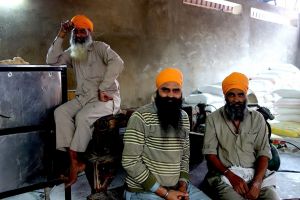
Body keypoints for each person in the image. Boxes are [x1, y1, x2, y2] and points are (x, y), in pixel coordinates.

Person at [46, 14, 124, 187]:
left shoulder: (100, 47)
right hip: (84, 98)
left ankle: (74, 162)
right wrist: (61, 34)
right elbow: (51, 62)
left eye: (83, 31)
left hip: (106, 98)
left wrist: (103, 87)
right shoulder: (73, 53)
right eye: (76, 31)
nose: (79, 35)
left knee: (82, 117)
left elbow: (118, 63)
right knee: (60, 112)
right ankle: (74, 161)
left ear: (89, 32)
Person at [122, 68, 210, 200]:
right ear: (157, 91)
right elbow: (130, 161)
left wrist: (182, 186)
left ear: (181, 93)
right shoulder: (140, 117)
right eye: (165, 90)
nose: (170, 95)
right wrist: (165, 193)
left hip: (176, 188)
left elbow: (185, 157)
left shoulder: (184, 117)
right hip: (143, 191)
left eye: (176, 90)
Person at [202, 72, 280, 200]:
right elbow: (210, 154)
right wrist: (231, 176)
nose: (236, 99)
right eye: (231, 95)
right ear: (225, 96)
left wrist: (257, 182)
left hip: (255, 173)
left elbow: (264, 152)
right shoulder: (213, 119)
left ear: (246, 95)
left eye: (240, 95)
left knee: (272, 197)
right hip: (226, 175)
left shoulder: (257, 118)